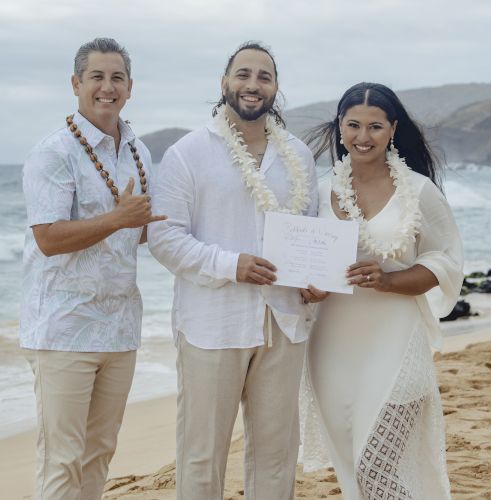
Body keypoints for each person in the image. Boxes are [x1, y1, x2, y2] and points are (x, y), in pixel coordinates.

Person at [148, 41, 319, 499]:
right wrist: (231, 264)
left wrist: (317, 279)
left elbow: (313, 232)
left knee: (278, 452)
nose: (253, 84)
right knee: (202, 455)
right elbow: (164, 240)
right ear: (224, 83)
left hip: (283, 321)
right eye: (243, 74)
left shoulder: (298, 157)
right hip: (212, 324)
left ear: (276, 88)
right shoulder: (187, 154)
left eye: (264, 76)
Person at [299, 82, 463, 499]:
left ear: (392, 129)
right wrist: (309, 289)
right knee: (353, 468)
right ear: (340, 128)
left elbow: (445, 261)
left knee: (378, 464)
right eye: (353, 125)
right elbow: (304, 262)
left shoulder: (419, 191)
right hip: (332, 345)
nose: (363, 136)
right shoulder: (319, 194)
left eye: (374, 126)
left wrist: (389, 280)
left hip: (395, 339)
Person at [20, 38, 165, 500]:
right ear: (76, 83)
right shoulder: (54, 152)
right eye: (97, 77)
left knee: (100, 452)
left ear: (130, 87)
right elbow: (47, 238)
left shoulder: (138, 151)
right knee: (61, 460)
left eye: (117, 77)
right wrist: (117, 219)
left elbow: (139, 230)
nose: (107, 87)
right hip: (64, 330)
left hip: (120, 328)